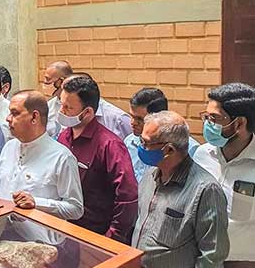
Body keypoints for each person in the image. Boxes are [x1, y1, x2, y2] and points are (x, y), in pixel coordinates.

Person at [132, 110, 229, 268]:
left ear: (168, 149)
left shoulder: (204, 189)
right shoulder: (150, 176)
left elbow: (213, 253)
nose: (140, 147)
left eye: (146, 143)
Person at [0, 90, 83, 241]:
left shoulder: (62, 157)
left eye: (15, 113)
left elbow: (75, 208)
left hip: (42, 245)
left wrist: (36, 203)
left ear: (34, 117)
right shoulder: (9, 147)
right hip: (1, 238)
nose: (8, 118)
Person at [193, 83, 255, 268]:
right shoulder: (201, 155)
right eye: (206, 116)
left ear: (239, 123)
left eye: (214, 118)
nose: (208, 124)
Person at [57, 76, 137, 243]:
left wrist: (112, 237)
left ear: (87, 112)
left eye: (68, 108)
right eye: (61, 104)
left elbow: (128, 195)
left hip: (96, 235)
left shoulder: (110, 145)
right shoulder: (63, 137)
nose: (61, 111)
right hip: (64, 230)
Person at [125, 87, 199, 182]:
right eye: (131, 116)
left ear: (158, 118)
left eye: (140, 119)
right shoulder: (129, 142)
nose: (133, 123)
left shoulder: (189, 148)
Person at [43, 60, 74, 138]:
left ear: (61, 81)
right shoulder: (48, 106)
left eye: (48, 79)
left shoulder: (80, 104)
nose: (45, 82)